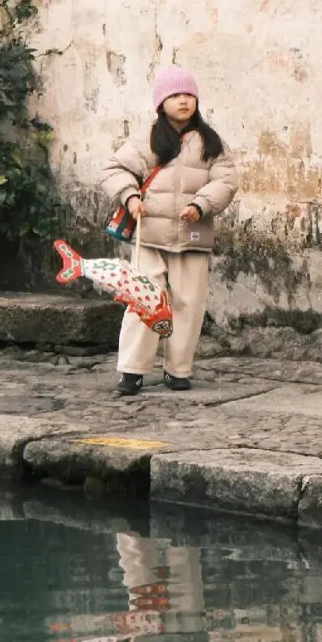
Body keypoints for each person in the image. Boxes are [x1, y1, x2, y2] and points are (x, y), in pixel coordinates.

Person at [97, 67, 237, 396]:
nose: (183, 101)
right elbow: (113, 169)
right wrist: (131, 197)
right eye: (174, 96)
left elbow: (226, 180)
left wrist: (201, 205)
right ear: (162, 103)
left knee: (188, 304)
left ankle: (179, 370)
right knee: (143, 301)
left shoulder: (210, 142)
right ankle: (132, 369)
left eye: (188, 95)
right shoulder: (148, 139)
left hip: (192, 237)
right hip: (151, 238)